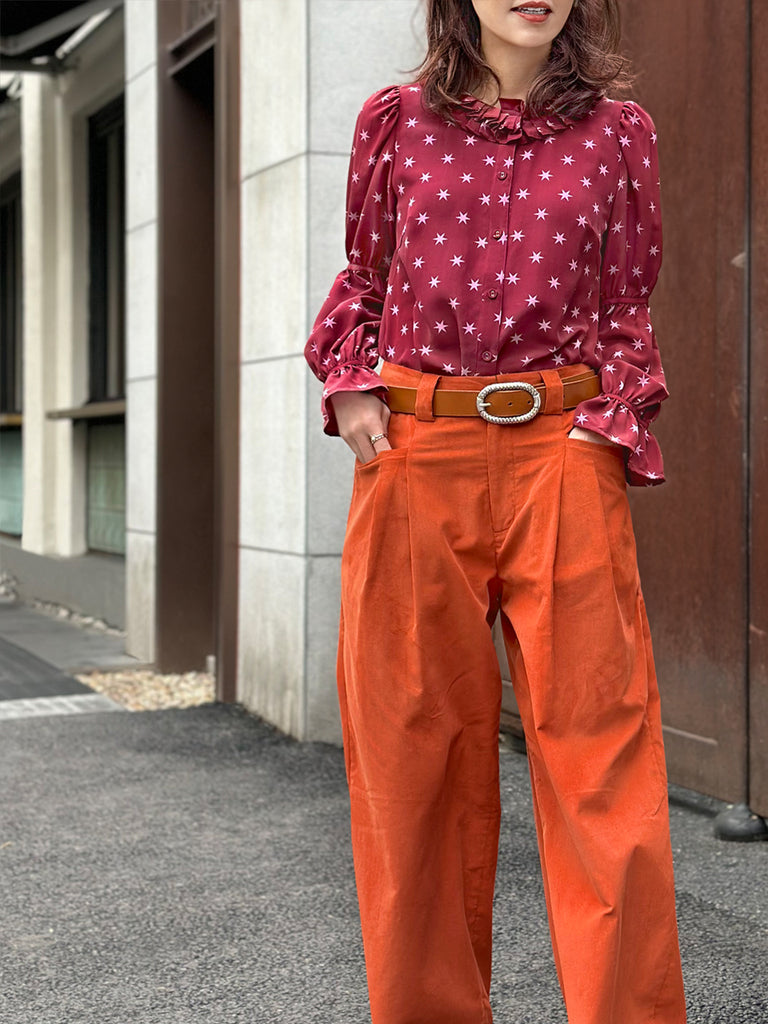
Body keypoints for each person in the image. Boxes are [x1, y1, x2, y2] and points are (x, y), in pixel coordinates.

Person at [304, 1, 687, 1021]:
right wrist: (350, 385)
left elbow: (625, 306)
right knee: (410, 763)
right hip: (414, 453)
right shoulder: (394, 121)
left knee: (604, 768)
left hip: (562, 456)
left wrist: (606, 426)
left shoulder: (618, 132)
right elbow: (368, 277)